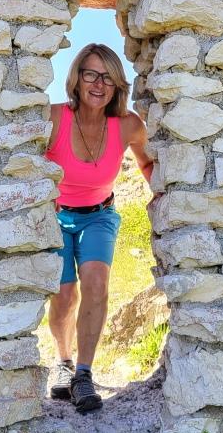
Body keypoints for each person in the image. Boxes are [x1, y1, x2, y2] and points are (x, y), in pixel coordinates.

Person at [44, 43, 154, 412]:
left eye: (107, 77)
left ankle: (83, 374)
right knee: (63, 293)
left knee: (96, 283)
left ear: (118, 84)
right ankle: (63, 362)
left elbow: (149, 164)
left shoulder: (128, 125)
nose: (98, 84)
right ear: (76, 79)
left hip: (99, 215)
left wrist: (165, 198)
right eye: (90, 74)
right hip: (56, 216)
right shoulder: (54, 118)